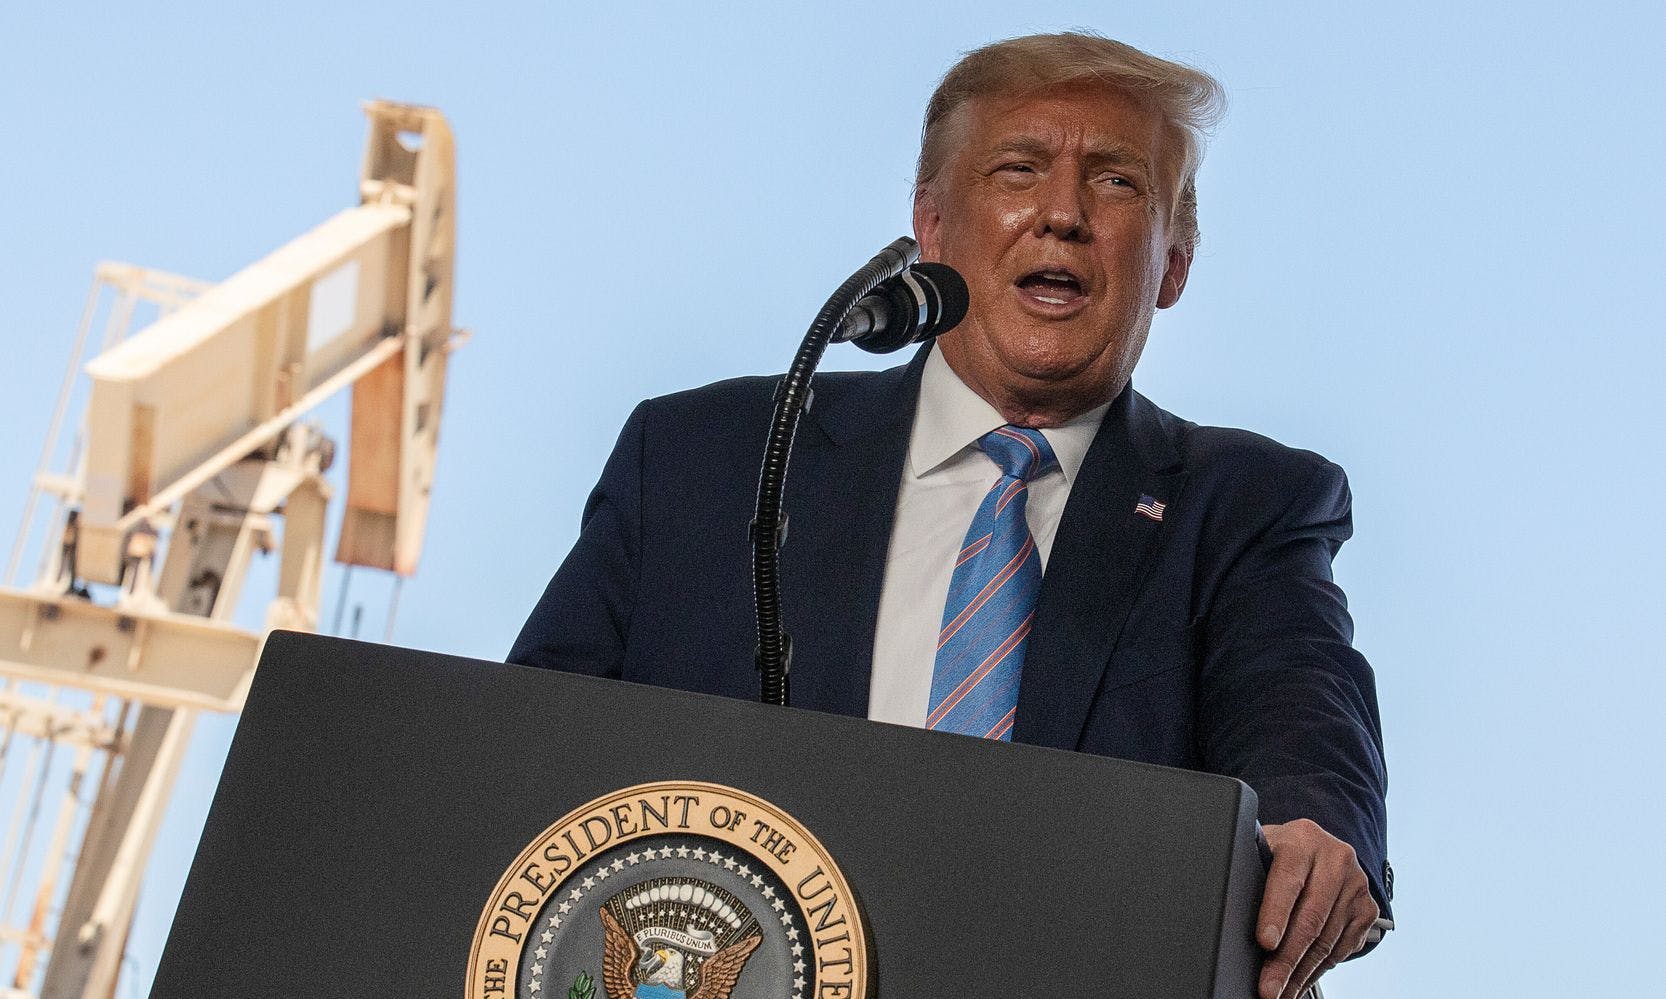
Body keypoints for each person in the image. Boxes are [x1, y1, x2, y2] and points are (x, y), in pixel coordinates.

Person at [511, 31, 1390, 999]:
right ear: (930, 226)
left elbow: (1299, 706)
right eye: (1017, 170)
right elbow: (522, 755)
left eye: (1115, 184)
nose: (1060, 213)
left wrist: (1316, 826)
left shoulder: (1241, 506)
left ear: (1172, 263)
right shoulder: (705, 458)